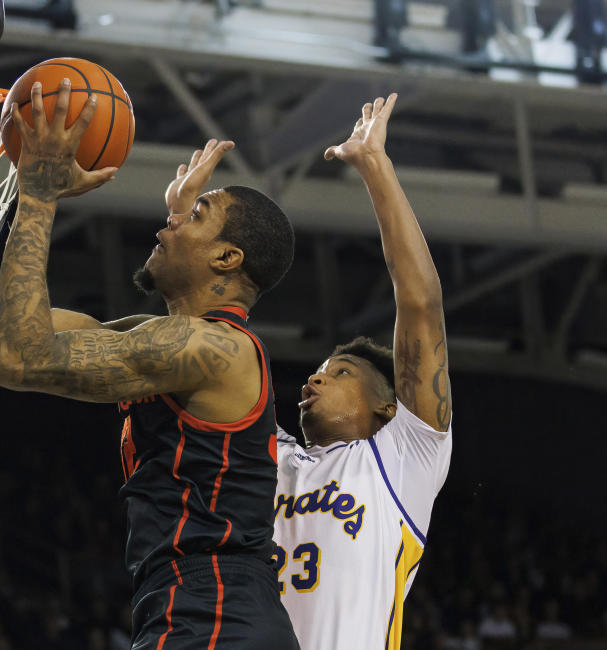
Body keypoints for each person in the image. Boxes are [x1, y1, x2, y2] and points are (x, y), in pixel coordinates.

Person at [0, 79, 299, 648]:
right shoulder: (169, 344)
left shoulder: (216, 351)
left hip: (217, 609)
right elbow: (18, 331)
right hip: (194, 605)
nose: (167, 222)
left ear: (228, 257)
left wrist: (39, 195)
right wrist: (185, 220)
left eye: (196, 216)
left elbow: (18, 358)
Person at [273, 94, 453, 650]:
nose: (313, 379)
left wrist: (375, 167)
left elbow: (419, 304)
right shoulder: (271, 455)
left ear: (387, 406)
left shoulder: (402, 458)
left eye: (340, 372)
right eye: (316, 373)